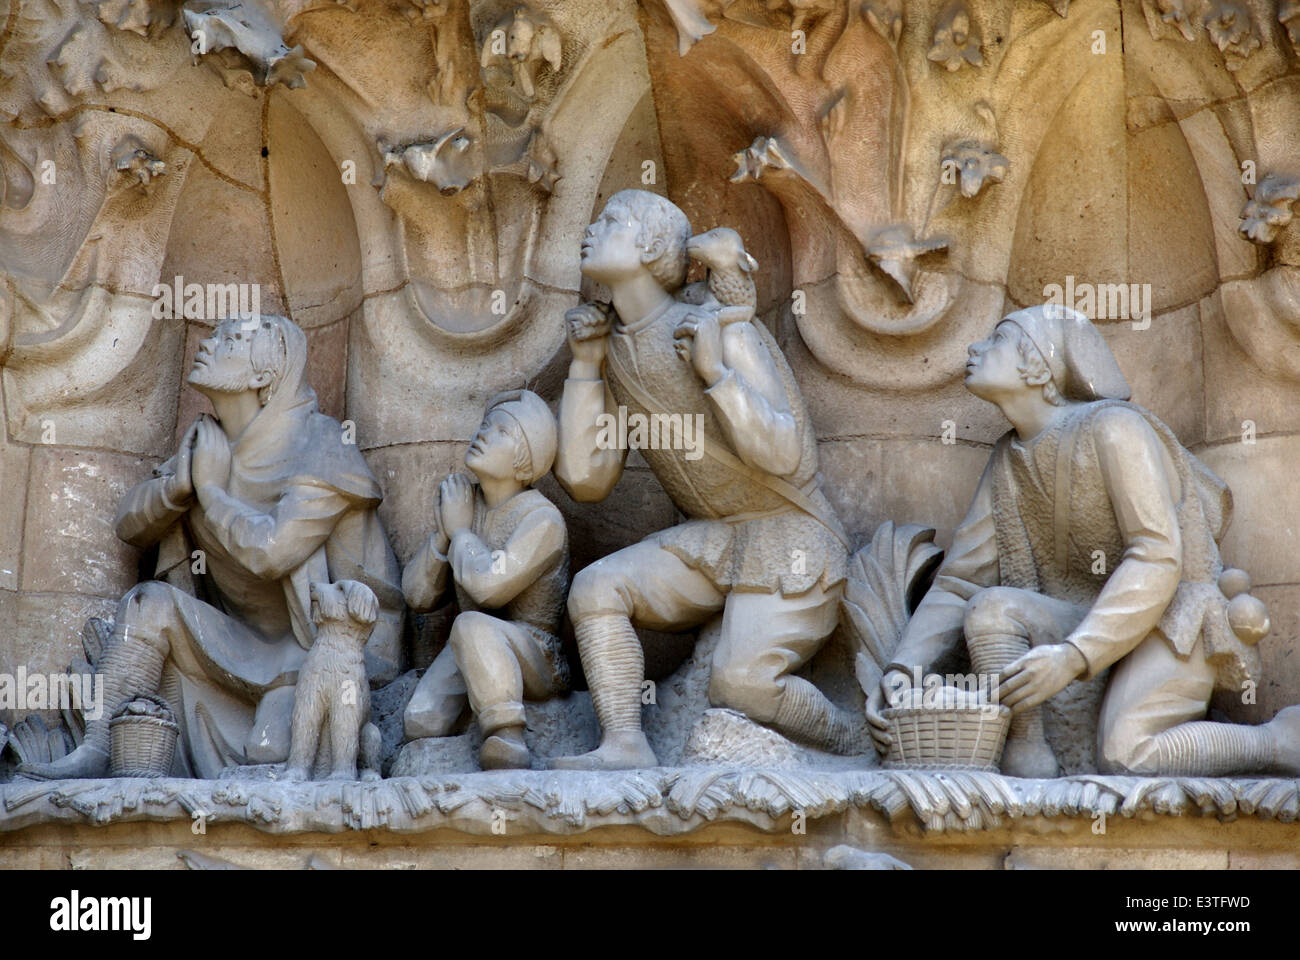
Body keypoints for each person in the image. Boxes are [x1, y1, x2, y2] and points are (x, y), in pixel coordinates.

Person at [867, 304, 1300, 777]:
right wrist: (904, 669)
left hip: (1170, 618)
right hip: (1078, 622)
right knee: (990, 608)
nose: (974, 348)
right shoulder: (1006, 461)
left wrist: (1075, 656)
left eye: (997, 340)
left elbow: (1156, 557)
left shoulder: (1115, 428)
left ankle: (1275, 742)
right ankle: (1026, 753)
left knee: (1126, 753)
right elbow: (959, 585)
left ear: (1038, 364)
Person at [21, 315, 404, 780]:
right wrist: (178, 488)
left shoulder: (321, 444)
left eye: (229, 341)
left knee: (272, 750)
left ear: (263, 377)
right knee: (148, 604)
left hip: (319, 656)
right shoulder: (210, 440)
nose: (209, 342)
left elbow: (271, 552)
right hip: (239, 644)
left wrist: (212, 492)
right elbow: (129, 524)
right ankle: (98, 748)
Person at [551, 189, 853, 770]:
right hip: (711, 539)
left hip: (791, 538)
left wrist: (715, 373)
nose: (590, 228)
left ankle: (848, 738)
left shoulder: (723, 329)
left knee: (740, 683)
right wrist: (585, 368)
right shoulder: (611, 349)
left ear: (651, 246)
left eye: (610, 219)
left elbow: (788, 455)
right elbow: (586, 481)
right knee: (595, 589)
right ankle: (624, 744)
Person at [401, 390, 570, 771]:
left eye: (502, 431)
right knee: (421, 719)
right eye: (484, 425)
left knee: (472, 624)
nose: (483, 434)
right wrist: (444, 537)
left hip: (534, 652)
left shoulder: (542, 520)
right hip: (471, 641)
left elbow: (488, 589)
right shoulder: (466, 506)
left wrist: (460, 532)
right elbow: (416, 596)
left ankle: (506, 734)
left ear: (527, 461)